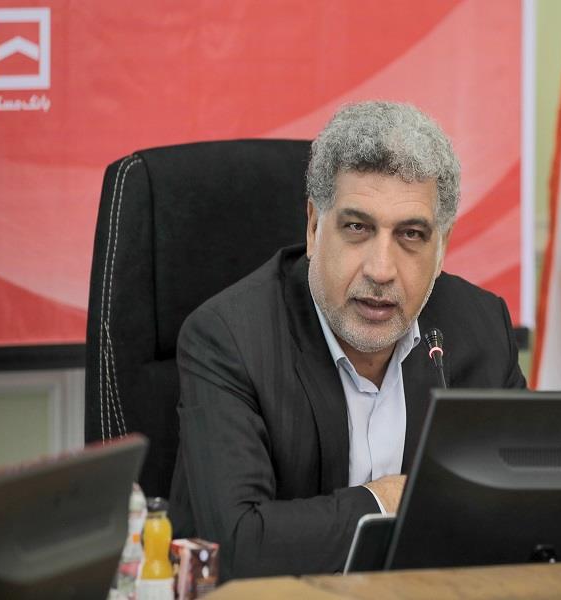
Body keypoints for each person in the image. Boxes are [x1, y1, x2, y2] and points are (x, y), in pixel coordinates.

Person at [169, 101, 526, 579]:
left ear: (442, 246)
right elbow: (237, 546)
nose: (381, 270)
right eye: (357, 228)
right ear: (314, 226)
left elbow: (520, 509)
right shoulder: (230, 339)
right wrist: (385, 500)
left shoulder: (481, 328)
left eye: (411, 234)